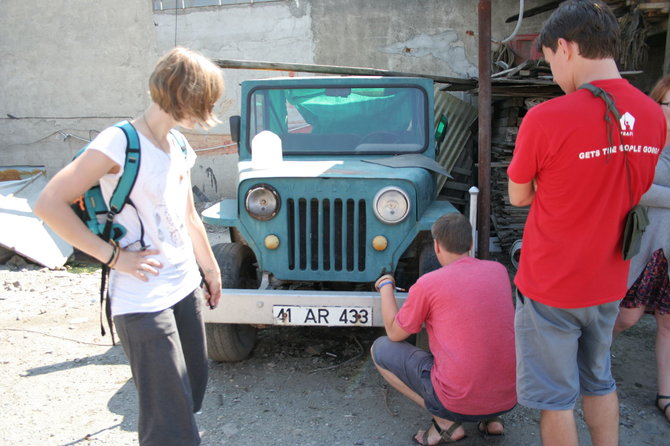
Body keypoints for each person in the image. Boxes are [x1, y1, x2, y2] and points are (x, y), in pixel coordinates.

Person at [34, 47, 224, 446]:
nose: (210, 110)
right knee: (167, 419)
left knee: (190, 396)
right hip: (141, 298)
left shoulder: (179, 145)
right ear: (185, 94)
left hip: (183, 286)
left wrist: (210, 269)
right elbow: (49, 203)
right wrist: (115, 258)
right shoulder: (119, 142)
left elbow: (189, 217)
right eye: (206, 99)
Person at [507, 1, 666, 445]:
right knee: (599, 380)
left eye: (551, 59)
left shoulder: (545, 118)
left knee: (556, 399)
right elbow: (634, 190)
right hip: (611, 279)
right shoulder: (654, 115)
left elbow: (518, 196)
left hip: (552, 284)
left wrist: (559, 186)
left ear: (566, 47)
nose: (554, 71)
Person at [370, 213, 516, 445]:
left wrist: (386, 286)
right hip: (508, 397)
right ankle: (492, 420)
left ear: (436, 246)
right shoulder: (498, 272)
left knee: (381, 349)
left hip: (458, 400)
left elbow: (395, 333)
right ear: (471, 243)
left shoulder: (429, 284)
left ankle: (445, 424)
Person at [613, 75, 670, 423]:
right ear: (656, 104)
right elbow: (634, 187)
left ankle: (665, 394)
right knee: (626, 316)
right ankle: (588, 366)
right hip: (648, 248)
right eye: (668, 104)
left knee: (668, 324)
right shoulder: (645, 139)